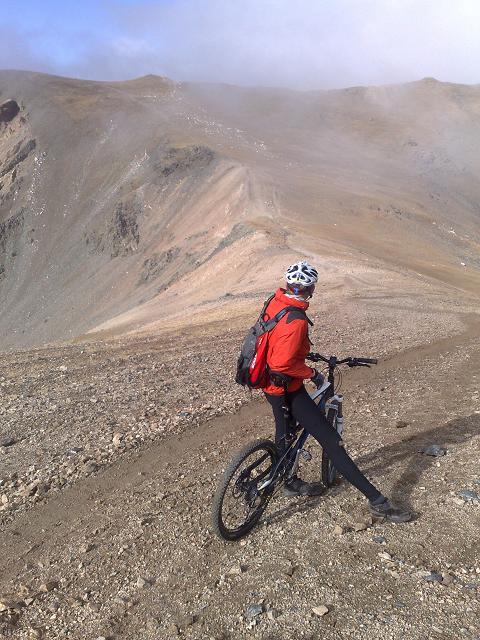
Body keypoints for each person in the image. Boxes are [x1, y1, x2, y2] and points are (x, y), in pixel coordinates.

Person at [261, 260, 412, 523]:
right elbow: (282, 362)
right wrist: (312, 373)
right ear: (310, 289)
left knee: (284, 434)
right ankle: (378, 502)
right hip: (285, 385)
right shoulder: (296, 320)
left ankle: (288, 480)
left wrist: (302, 356)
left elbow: (274, 342)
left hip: (268, 384)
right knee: (331, 441)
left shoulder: (275, 302)